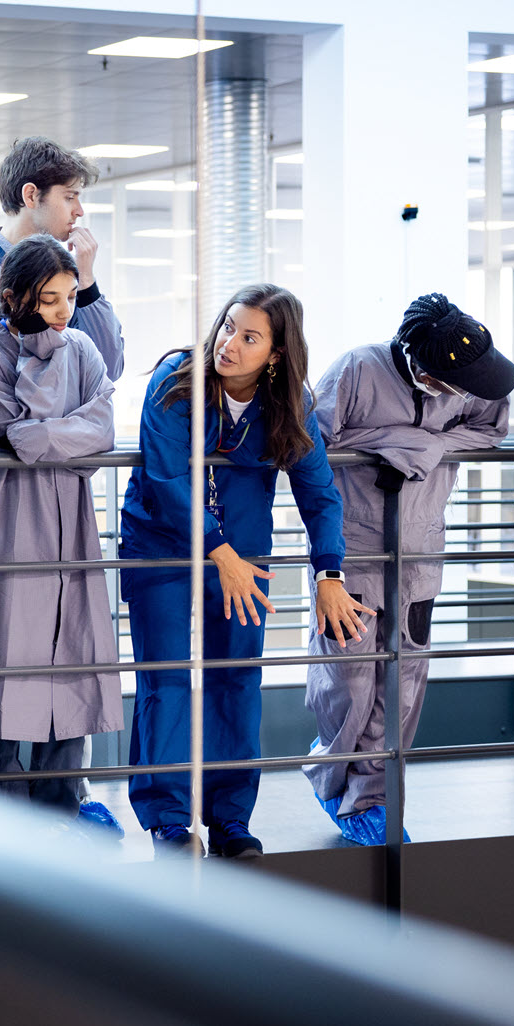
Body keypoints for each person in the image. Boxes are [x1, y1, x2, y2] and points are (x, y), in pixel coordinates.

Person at [120, 282, 368, 858]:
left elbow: (320, 493)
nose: (229, 343)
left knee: (235, 680)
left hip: (242, 560)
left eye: (249, 337)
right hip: (162, 548)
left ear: (276, 355)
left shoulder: (290, 405)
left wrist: (329, 574)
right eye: (228, 326)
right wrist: (221, 552)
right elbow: (167, 478)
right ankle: (169, 821)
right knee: (168, 678)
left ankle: (230, 819)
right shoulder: (177, 382)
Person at [0, 235, 123, 833]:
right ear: (11, 296)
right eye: (49, 300)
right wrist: (65, 430)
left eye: (69, 297)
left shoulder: (84, 345)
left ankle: (60, 809)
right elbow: (14, 436)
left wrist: (54, 435)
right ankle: (0, 817)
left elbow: (104, 430)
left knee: (70, 659)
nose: (64, 312)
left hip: (66, 525)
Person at [304, 294, 514, 844]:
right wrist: (392, 442)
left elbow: (491, 428)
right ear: (420, 367)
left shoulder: (468, 383)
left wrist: (432, 444)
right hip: (352, 551)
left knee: (402, 683)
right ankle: (334, 780)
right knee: (349, 680)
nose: (463, 393)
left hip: (421, 553)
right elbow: (308, 445)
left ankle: (370, 798)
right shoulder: (356, 369)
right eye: (454, 384)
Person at [0, 138, 125, 378]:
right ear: (31, 196)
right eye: (70, 197)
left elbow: (108, 368)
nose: (79, 211)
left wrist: (86, 283)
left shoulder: (67, 275)